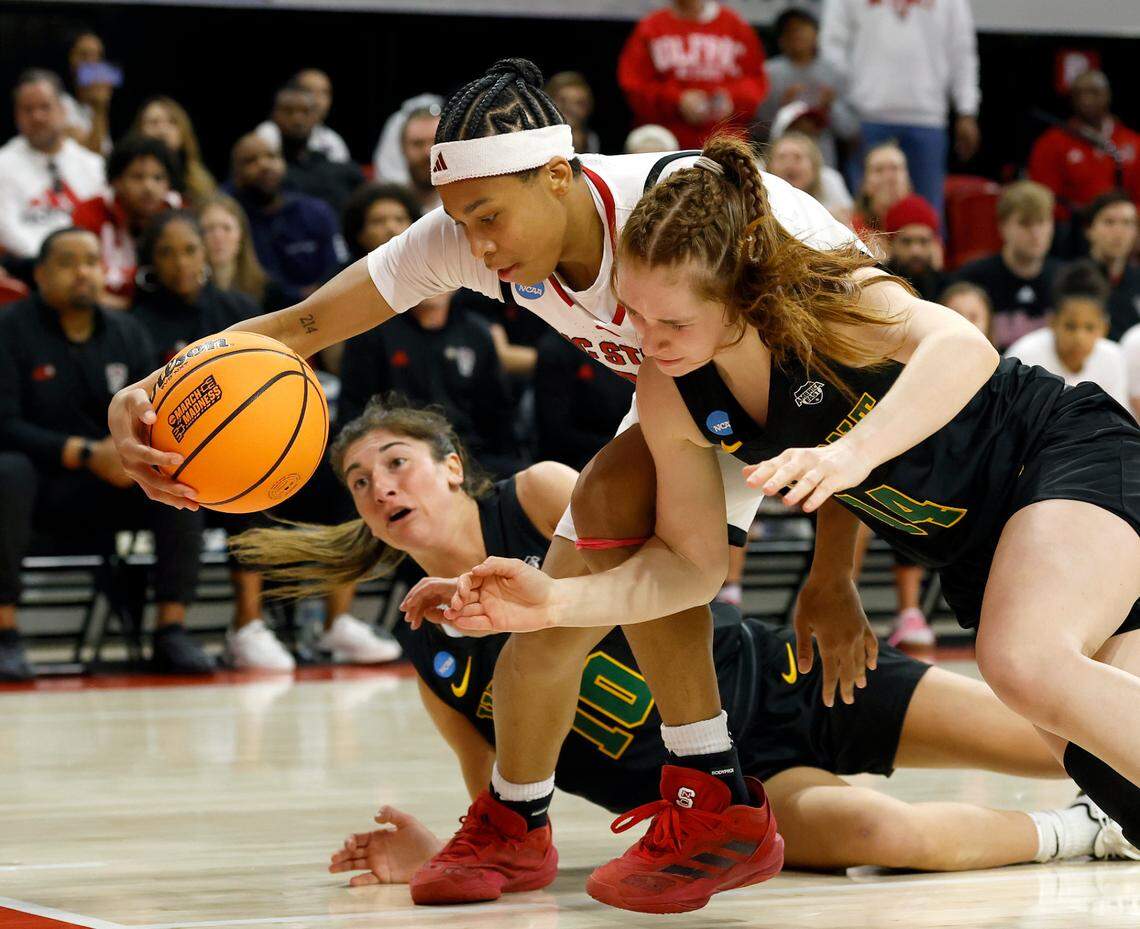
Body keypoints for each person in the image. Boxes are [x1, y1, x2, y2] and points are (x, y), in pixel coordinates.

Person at [106, 58, 861, 914]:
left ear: (557, 174)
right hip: (694, 399)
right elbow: (297, 328)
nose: (475, 241)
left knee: (1025, 669)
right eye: (459, 218)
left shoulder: (682, 215)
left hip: (863, 391)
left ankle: (704, 794)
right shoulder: (469, 236)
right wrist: (153, 390)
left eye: (489, 216)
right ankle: (537, 814)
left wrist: (833, 573)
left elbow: (839, 388)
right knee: (557, 601)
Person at [433, 134, 1140, 890]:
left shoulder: (821, 302)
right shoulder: (671, 389)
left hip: (1062, 452)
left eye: (670, 322)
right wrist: (558, 600)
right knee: (1119, 784)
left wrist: (848, 455)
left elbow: (963, 346)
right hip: (976, 550)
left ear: (734, 296)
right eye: (635, 315)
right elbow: (690, 567)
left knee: (1022, 661)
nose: (647, 339)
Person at [236, 400, 1132, 884]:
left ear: (453, 468)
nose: (381, 486)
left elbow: (678, 549)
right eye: (359, 481)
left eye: (396, 462)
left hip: (782, 681)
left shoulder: (544, 495)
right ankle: (1087, 833)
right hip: (740, 787)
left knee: (1058, 730)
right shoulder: (433, 651)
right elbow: (508, 810)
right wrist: (436, 854)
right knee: (874, 830)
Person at [0, 228, 212, 680]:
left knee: (177, 479)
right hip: (39, 484)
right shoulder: (10, 329)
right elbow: (4, 422)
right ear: (39, 274)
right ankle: (5, 632)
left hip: (113, 480)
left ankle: (171, 628)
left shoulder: (127, 332)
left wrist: (131, 457)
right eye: (68, 262)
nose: (83, 272)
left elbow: (153, 415)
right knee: (7, 472)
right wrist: (81, 452)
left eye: (92, 261)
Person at [821, 0, 980, 217]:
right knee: (864, 218)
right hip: (867, 116)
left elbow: (961, 51)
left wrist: (967, 109)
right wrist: (852, 100)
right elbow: (832, 45)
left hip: (927, 117)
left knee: (926, 216)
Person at [618, 0, 768, 151]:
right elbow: (633, 84)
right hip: (665, 144)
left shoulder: (735, 25)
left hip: (724, 143)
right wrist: (677, 100)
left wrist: (731, 99)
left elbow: (756, 81)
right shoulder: (651, 26)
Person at [0, 69, 105, 266]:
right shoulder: (2, 165)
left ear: (63, 110)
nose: (37, 116)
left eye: (45, 107)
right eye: (28, 110)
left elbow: (103, 222)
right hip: (27, 267)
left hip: (89, 264)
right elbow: (5, 227)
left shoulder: (93, 165)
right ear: (16, 116)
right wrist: (53, 261)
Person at [227, 132, 346, 295]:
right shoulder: (231, 219)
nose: (264, 165)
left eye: (272, 156)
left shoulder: (316, 211)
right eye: (251, 161)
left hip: (324, 303)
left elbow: (337, 264)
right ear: (236, 173)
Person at [72, 134, 180, 309]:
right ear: (116, 181)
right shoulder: (89, 213)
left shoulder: (177, 215)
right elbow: (81, 282)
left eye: (158, 178)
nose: (148, 187)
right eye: (138, 177)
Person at [954, 180, 1063, 351]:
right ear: (1003, 226)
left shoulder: (1065, 278)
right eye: (1025, 224)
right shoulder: (973, 279)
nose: (1035, 233)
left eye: (1041, 222)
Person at [1005, 261, 1129, 407]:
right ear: (1052, 322)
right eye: (1070, 326)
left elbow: (1117, 423)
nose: (1079, 338)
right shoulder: (1024, 357)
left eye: (1089, 328)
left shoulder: (1113, 358)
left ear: (1104, 328)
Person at [1029, 71, 1140, 223]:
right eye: (1079, 94)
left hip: (1125, 230)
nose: (1086, 99)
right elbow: (1043, 198)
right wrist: (1081, 214)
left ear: (1108, 95)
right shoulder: (1051, 143)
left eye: (1094, 92)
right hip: (1073, 232)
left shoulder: (1133, 141)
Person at [755, 7, 858, 170]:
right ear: (781, 39)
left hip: (824, 160)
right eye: (790, 31)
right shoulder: (769, 73)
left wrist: (831, 107)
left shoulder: (832, 72)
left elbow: (850, 129)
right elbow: (756, 129)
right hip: (780, 161)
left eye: (802, 29)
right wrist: (781, 109)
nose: (797, 35)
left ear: (816, 34)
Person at [266, 82, 363, 213]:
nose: (297, 119)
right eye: (288, 111)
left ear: (316, 117)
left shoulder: (341, 170)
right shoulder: (265, 173)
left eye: (305, 112)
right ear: (274, 116)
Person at [197, 193, 297, 313]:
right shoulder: (190, 296)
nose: (218, 237)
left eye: (226, 228)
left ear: (241, 235)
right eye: (208, 229)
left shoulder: (270, 293)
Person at [132, 96, 218, 208]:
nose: (162, 131)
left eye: (172, 122)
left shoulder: (201, 183)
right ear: (139, 131)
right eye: (153, 123)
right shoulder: (126, 178)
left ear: (183, 132)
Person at [256, 68, 351, 164]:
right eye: (309, 91)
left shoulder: (332, 140)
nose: (318, 100)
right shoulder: (267, 133)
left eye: (324, 92)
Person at [1082, 190, 1140, 341]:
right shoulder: (1071, 279)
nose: (1119, 232)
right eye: (1109, 222)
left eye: (1127, 223)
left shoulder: (1137, 278)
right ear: (1089, 229)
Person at [765, 131, 852, 225]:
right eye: (782, 157)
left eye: (797, 157)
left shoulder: (830, 180)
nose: (789, 164)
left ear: (814, 166)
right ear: (769, 167)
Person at [851, 140, 911, 252]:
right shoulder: (852, 229)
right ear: (865, 183)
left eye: (895, 168)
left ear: (907, 180)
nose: (888, 177)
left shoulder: (922, 224)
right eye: (879, 170)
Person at [882, 194, 944, 301]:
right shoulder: (878, 285)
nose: (915, 251)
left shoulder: (945, 290)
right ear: (890, 244)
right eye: (906, 242)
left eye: (923, 241)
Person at [61, 30, 113, 157]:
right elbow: (92, 155)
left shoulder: (92, 108)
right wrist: (99, 108)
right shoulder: (59, 104)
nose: (92, 62)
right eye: (84, 55)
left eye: (97, 56)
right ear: (70, 59)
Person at [545, 72, 600, 156]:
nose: (570, 108)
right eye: (562, 100)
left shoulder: (591, 140)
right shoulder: (536, 135)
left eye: (579, 103)